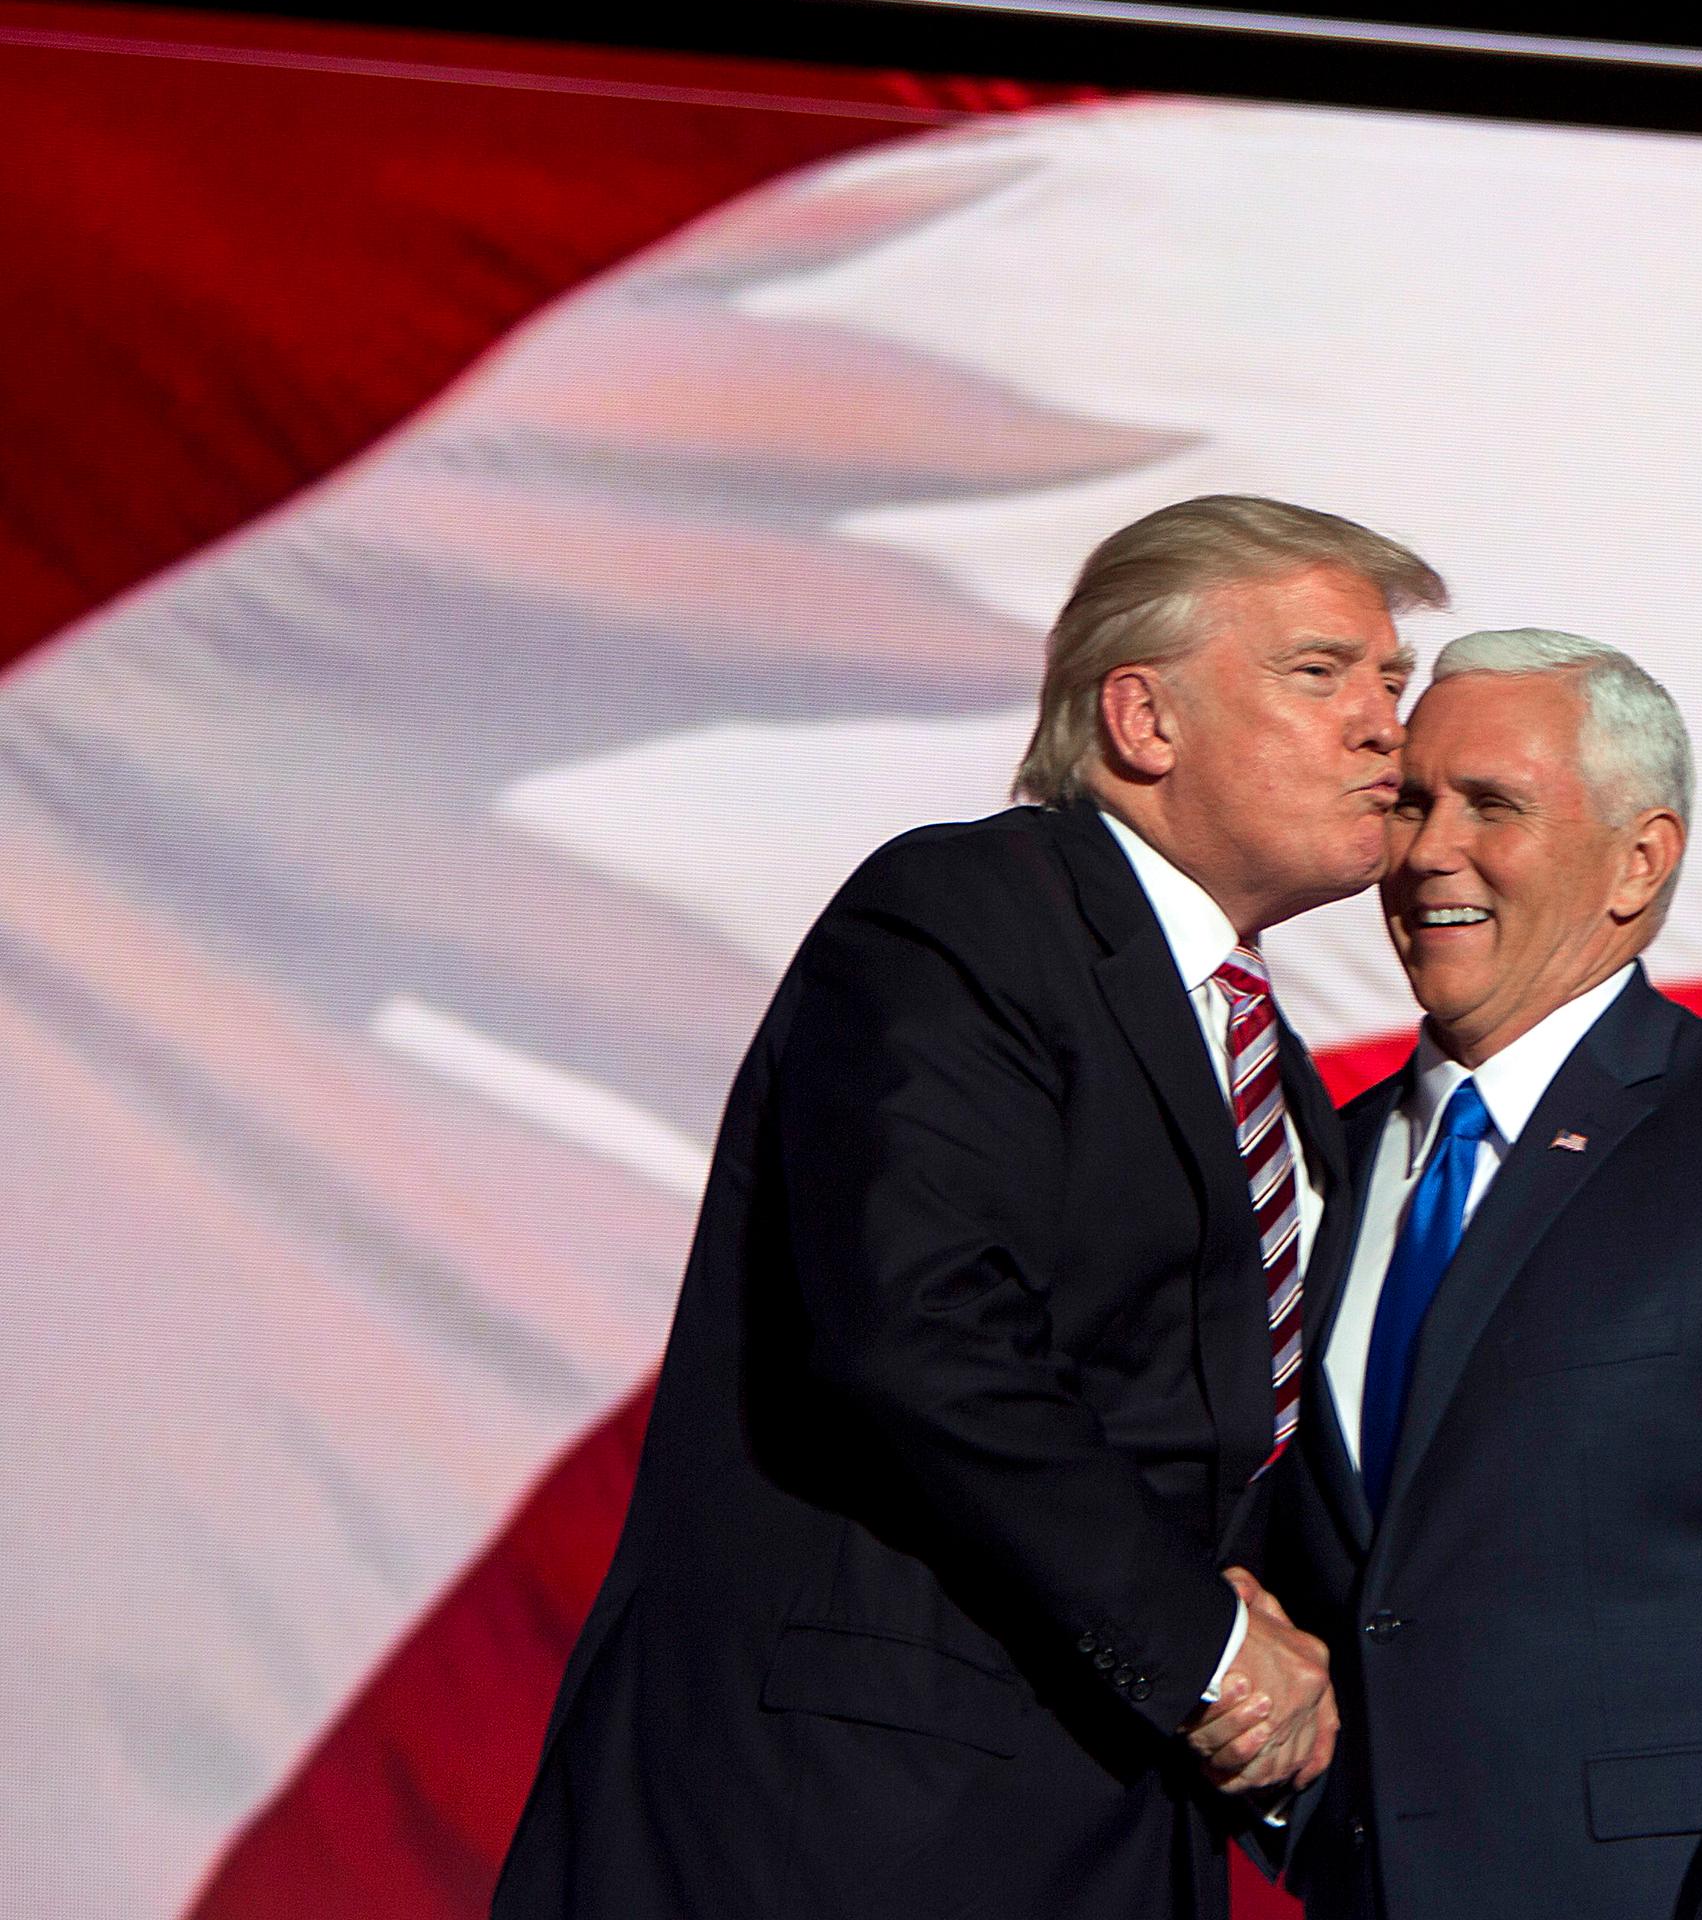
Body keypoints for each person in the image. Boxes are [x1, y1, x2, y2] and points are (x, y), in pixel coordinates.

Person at [493, 497, 1443, 1920]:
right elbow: (926, 1331)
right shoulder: (964, 915)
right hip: (846, 1827)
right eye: (1324, 673)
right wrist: (1210, 1651)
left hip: (1111, 1825)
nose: (1387, 729)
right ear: (1144, 719)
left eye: (1393, 685)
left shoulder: (1274, 1074)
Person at [1254, 629, 1702, 1920]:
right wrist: (1324, 1836)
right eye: (1412, 800)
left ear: (1639, 861)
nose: (1427, 851)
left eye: (1494, 804)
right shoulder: (1316, 1163)